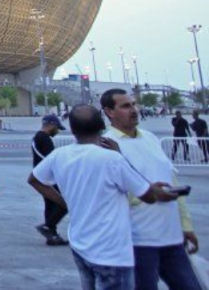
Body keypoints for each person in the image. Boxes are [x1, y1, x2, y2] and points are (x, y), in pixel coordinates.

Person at [30, 104, 179, 290]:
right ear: (102, 126)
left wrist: (64, 202)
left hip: (80, 245)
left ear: (73, 129)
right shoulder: (112, 159)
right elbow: (147, 196)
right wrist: (120, 155)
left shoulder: (60, 155)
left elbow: (34, 179)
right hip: (111, 251)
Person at [102, 89, 201, 290]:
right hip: (137, 241)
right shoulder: (107, 146)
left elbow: (170, 180)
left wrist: (185, 224)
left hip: (171, 238)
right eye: (125, 106)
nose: (134, 110)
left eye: (134, 104)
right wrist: (151, 195)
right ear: (109, 112)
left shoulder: (150, 138)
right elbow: (108, 195)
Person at [31, 114, 69, 246]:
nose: (57, 131)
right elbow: (50, 159)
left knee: (51, 205)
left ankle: (51, 234)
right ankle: (48, 226)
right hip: (48, 178)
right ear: (51, 125)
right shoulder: (44, 138)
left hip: (42, 177)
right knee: (64, 202)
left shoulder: (38, 137)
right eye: (57, 128)